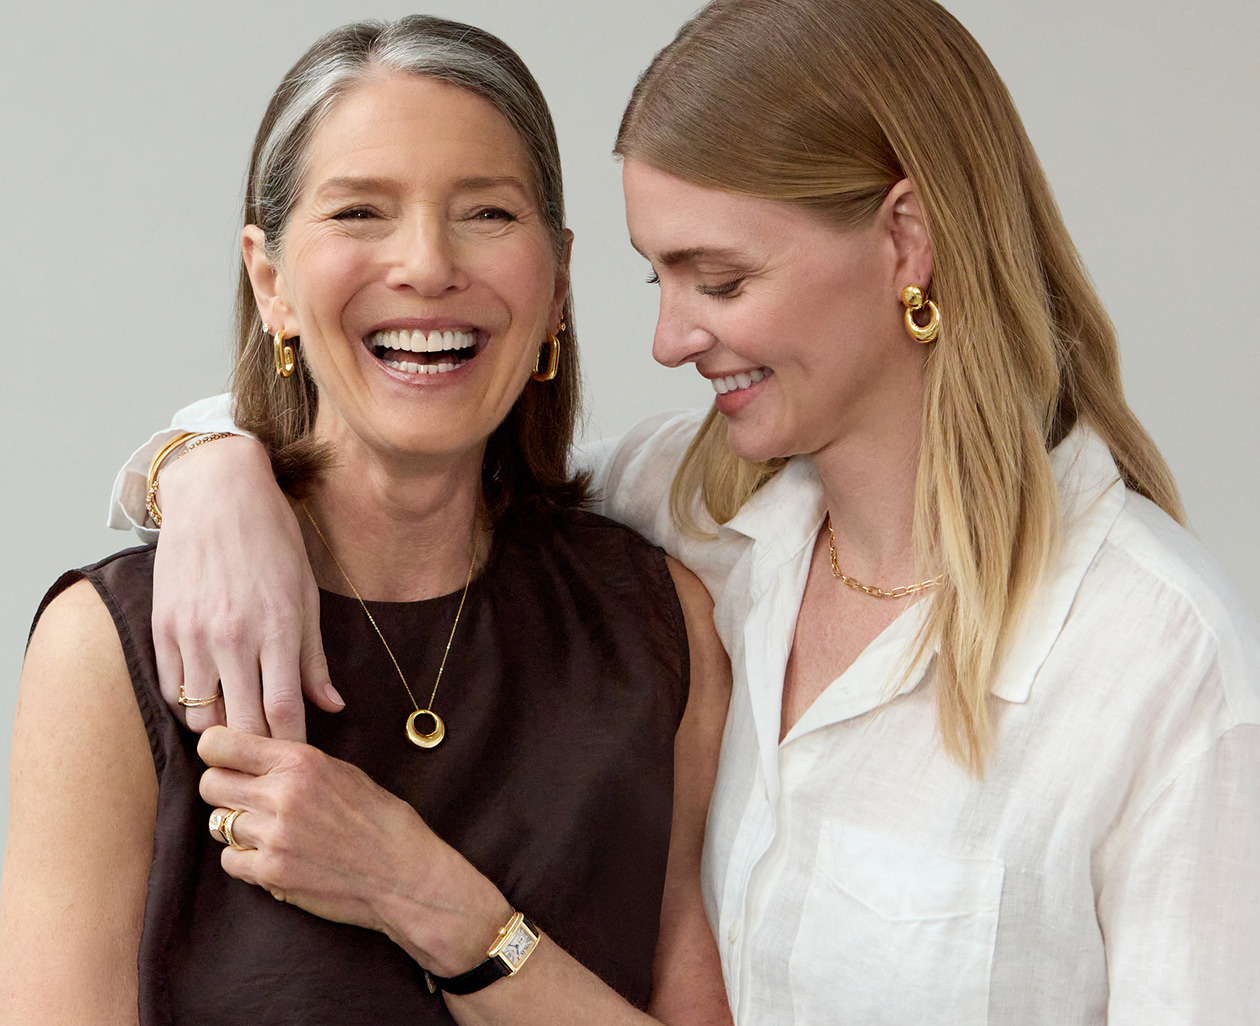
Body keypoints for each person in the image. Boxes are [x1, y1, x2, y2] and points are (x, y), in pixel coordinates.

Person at [65, 0, 1260, 1022]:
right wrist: (207, 464)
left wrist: (437, 904)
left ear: (906, 240)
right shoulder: (685, 532)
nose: (671, 338)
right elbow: (412, 426)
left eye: (722, 280)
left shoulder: (1154, 660)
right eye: (658, 276)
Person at [0, 16, 735, 1026]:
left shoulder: (659, 626)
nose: (427, 265)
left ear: (557, 279)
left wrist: (432, 902)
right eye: (359, 213)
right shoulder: (108, 649)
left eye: (485, 212)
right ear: (271, 282)